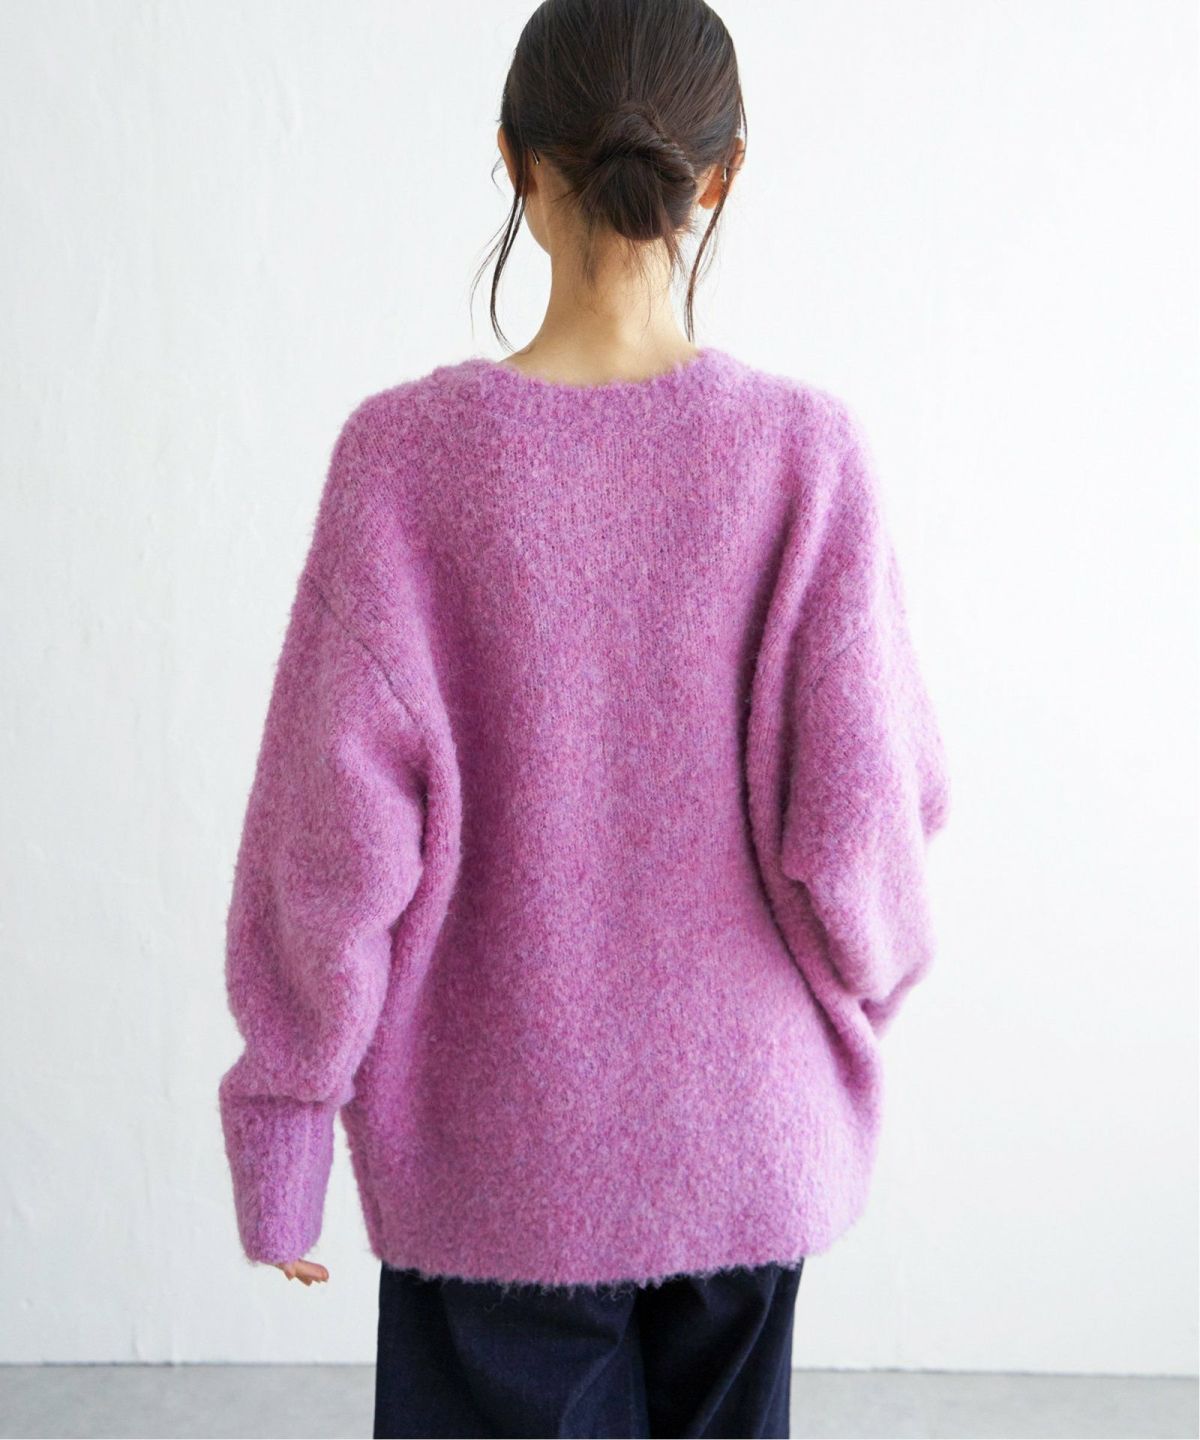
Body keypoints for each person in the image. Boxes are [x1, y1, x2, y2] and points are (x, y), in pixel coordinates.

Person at [216, 0, 952, 1435]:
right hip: (748, 1138)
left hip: (498, 1164)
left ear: (513, 160)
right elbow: (866, 829)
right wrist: (858, 994)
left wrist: (289, 1116)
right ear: (723, 174)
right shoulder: (805, 458)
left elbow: (327, 847)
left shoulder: (405, 465)